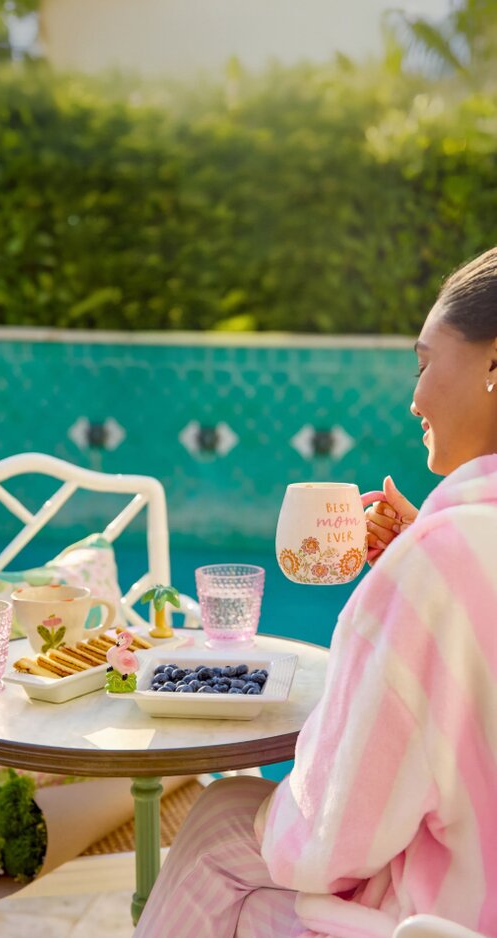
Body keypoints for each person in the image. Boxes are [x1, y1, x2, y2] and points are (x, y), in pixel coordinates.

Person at [133, 246, 497, 938]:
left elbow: (333, 841)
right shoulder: (454, 553)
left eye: (423, 363)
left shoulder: (438, 567)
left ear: (492, 361)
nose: (413, 398)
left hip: (448, 920)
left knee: (217, 830)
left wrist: (427, 570)